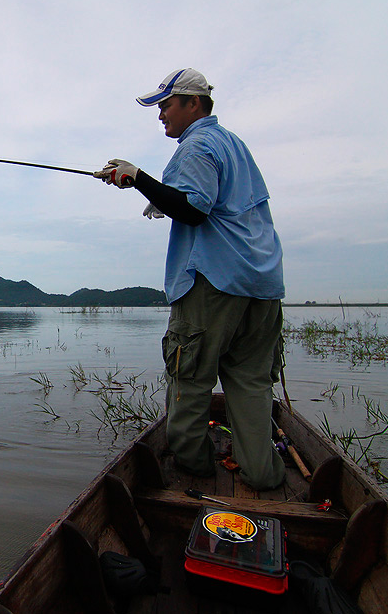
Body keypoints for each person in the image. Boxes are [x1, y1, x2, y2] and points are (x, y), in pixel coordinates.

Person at [94, 67, 286, 491]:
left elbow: (196, 209)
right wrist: (162, 198)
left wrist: (139, 179)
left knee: (190, 381)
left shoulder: (196, 145)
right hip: (263, 286)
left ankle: (192, 475)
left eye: (166, 105)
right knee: (252, 385)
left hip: (213, 283)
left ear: (193, 103)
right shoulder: (233, 144)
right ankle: (264, 476)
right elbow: (217, 203)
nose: (161, 114)